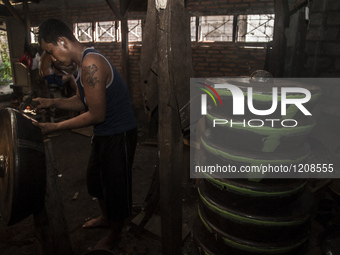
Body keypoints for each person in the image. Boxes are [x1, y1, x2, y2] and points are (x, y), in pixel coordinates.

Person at [33, 18, 137, 250]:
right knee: (96, 181)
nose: (53, 56)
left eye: (51, 51)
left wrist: (56, 127)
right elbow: (82, 100)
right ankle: (105, 218)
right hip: (104, 133)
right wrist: (52, 102)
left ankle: (115, 235)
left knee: (116, 187)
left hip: (119, 134)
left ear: (62, 41)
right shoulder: (81, 66)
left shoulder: (92, 63)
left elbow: (96, 114)